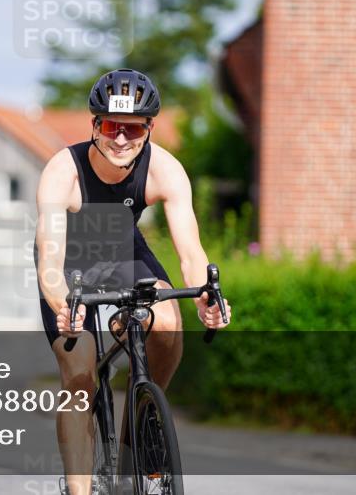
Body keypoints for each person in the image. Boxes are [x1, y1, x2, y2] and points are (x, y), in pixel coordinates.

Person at [34, 68, 232, 495]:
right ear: (94, 126)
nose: (121, 139)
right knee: (80, 373)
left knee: (167, 321)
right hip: (70, 260)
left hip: (123, 248)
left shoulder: (165, 169)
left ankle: (140, 425)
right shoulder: (62, 172)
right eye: (110, 126)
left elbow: (190, 252)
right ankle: (79, 490)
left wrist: (205, 299)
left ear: (149, 129)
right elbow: (49, 256)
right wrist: (60, 306)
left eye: (133, 128)